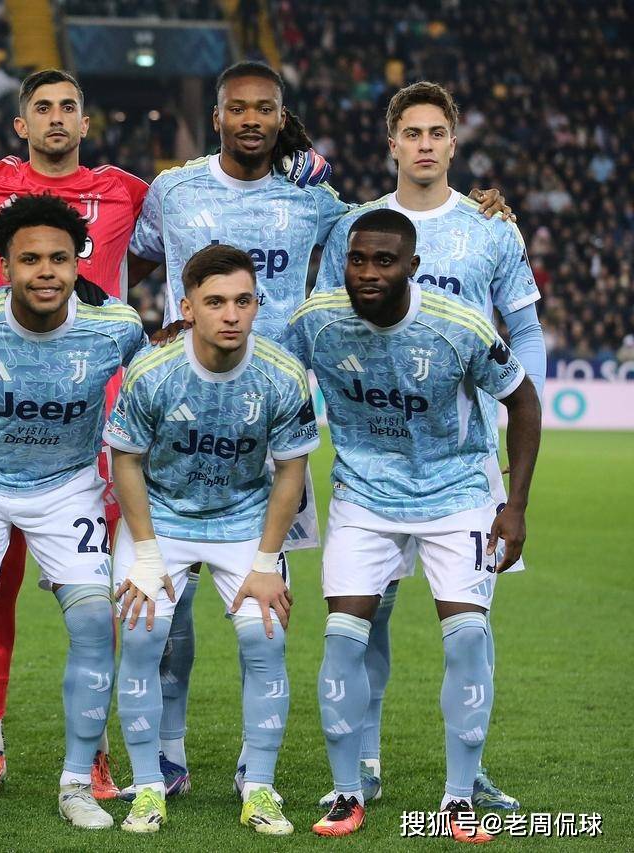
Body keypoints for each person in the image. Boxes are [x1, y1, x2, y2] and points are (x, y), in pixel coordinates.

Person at [124, 60, 512, 800]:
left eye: (264, 108)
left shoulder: (316, 200)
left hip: (274, 422)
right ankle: (168, 755)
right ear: (216, 116)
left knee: (263, 608)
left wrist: (479, 209)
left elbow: (392, 234)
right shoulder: (172, 190)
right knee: (167, 608)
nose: (250, 119)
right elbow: (129, 255)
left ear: (281, 116)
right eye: (237, 108)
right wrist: (139, 327)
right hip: (183, 407)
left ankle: (260, 763)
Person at [310, 81, 545, 811]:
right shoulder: (355, 227)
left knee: (470, 621)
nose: (424, 144)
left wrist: (516, 410)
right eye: (411, 133)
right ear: (392, 143)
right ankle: (366, 761)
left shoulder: (489, 228)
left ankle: (468, 773)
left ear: (453, 142)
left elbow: (524, 328)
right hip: (374, 452)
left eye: (435, 132)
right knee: (367, 614)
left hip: (462, 452)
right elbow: (328, 321)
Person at [0, 194, 146, 828]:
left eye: (59, 259)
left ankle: (77, 783)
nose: (46, 272)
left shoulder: (115, 326)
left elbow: (160, 375)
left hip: (67, 486)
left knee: (94, 623)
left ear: (79, 263)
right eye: (30, 259)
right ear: (5, 266)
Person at [104, 244, 318, 835]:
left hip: (243, 521)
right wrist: (147, 556)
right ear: (187, 307)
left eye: (243, 301)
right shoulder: (152, 371)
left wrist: (267, 562)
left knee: (265, 637)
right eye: (216, 302)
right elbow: (126, 461)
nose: (231, 314)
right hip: (162, 520)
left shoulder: (281, 374)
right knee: (142, 635)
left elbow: (291, 472)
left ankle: (260, 786)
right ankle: (149, 786)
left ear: (257, 306)